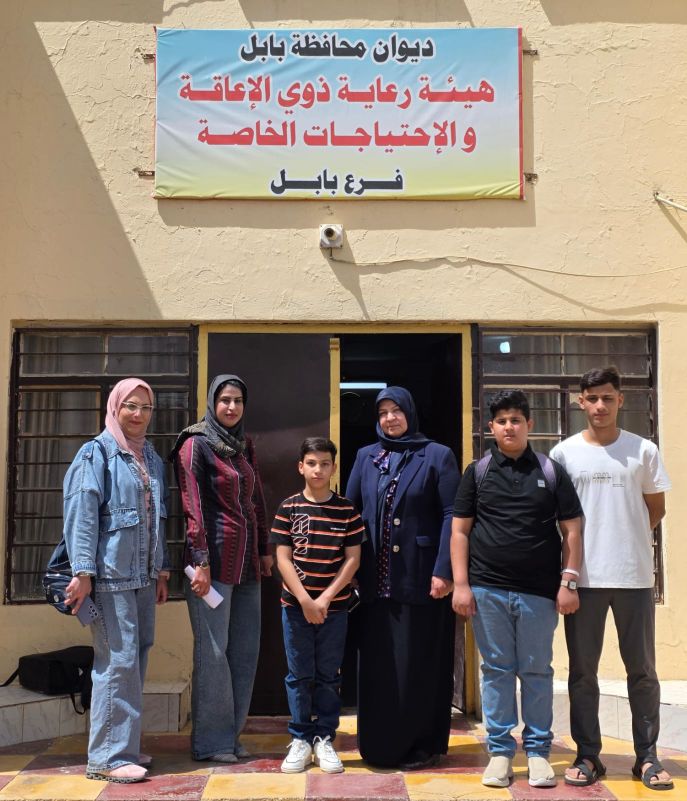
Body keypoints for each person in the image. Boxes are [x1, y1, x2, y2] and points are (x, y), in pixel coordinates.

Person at [451, 389, 583, 789]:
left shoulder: (550, 470)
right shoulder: (477, 472)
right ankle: (500, 753)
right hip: (487, 589)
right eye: (502, 421)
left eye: (516, 420)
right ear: (491, 427)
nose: (509, 427)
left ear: (530, 424)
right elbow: (459, 531)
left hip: (540, 592)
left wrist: (568, 581)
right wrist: (461, 585)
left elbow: (572, 529)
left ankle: (539, 752)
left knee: (537, 671)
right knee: (496, 670)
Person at [550, 366, 673, 791]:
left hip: (633, 577)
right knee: (582, 672)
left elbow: (655, 509)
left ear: (621, 400)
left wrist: (625, 538)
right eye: (591, 398)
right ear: (580, 402)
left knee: (642, 671)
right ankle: (588, 756)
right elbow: (558, 517)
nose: (599, 405)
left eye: (607, 397)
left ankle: (647, 758)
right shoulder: (564, 454)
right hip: (582, 579)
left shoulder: (644, 450)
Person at [345, 386, 459, 769]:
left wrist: (444, 570)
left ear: (410, 412)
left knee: (417, 665)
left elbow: (452, 514)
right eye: (383, 413)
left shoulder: (437, 455)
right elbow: (350, 513)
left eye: (396, 411)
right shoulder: (366, 456)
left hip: (421, 578)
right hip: (374, 582)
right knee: (380, 667)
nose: (390, 418)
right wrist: (349, 568)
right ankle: (379, 747)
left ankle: (421, 745)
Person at [63, 378, 170, 783]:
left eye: (145, 407)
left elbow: (156, 518)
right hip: (109, 577)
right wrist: (83, 572)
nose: (138, 414)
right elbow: (82, 514)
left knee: (135, 659)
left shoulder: (150, 457)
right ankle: (107, 757)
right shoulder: (96, 454)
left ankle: (122, 744)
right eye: (131, 405)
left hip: (141, 576)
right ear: (115, 407)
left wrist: (160, 570)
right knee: (117, 663)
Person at [171, 374, 272, 763]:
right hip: (211, 567)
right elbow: (191, 505)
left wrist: (264, 549)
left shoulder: (244, 445)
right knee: (213, 653)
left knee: (244, 651)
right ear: (213, 402)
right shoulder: (194, 444)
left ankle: (231, 736)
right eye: (225, 400)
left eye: (238, 401)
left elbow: (255, 500)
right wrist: (200, 560)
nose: (231, 407)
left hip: (247, 564)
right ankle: (212, 742)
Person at [271, 437, 363, 774]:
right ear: (301, 467)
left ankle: (324, 737)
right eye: (311, 463)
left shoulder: (347, 510)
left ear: (334, 468)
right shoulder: (289, 508)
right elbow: (282, 559)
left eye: (325, 463)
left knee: (328, 675)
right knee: (299, 675)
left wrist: (324, 599)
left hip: (333, 609)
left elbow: (352, 560)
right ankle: (300, 738)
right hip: (295, 608)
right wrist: (305, 600)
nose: (318, 469)